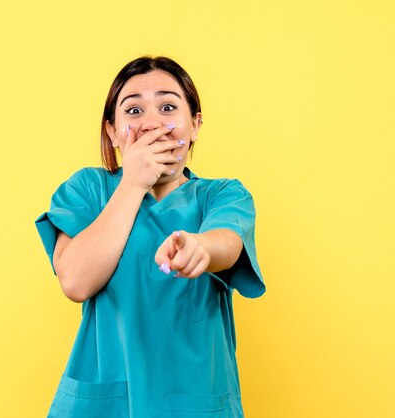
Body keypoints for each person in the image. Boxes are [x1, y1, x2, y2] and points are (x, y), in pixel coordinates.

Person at [34, 55, 265, 418]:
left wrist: (200, 247)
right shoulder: (87, 190)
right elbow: (75, 281)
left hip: (195, 404)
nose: (152, 123)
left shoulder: (222, 196)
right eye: (134, 111)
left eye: (168, 107)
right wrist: (133, 182)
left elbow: (227, 242)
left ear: (195, 125)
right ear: (112, 131)